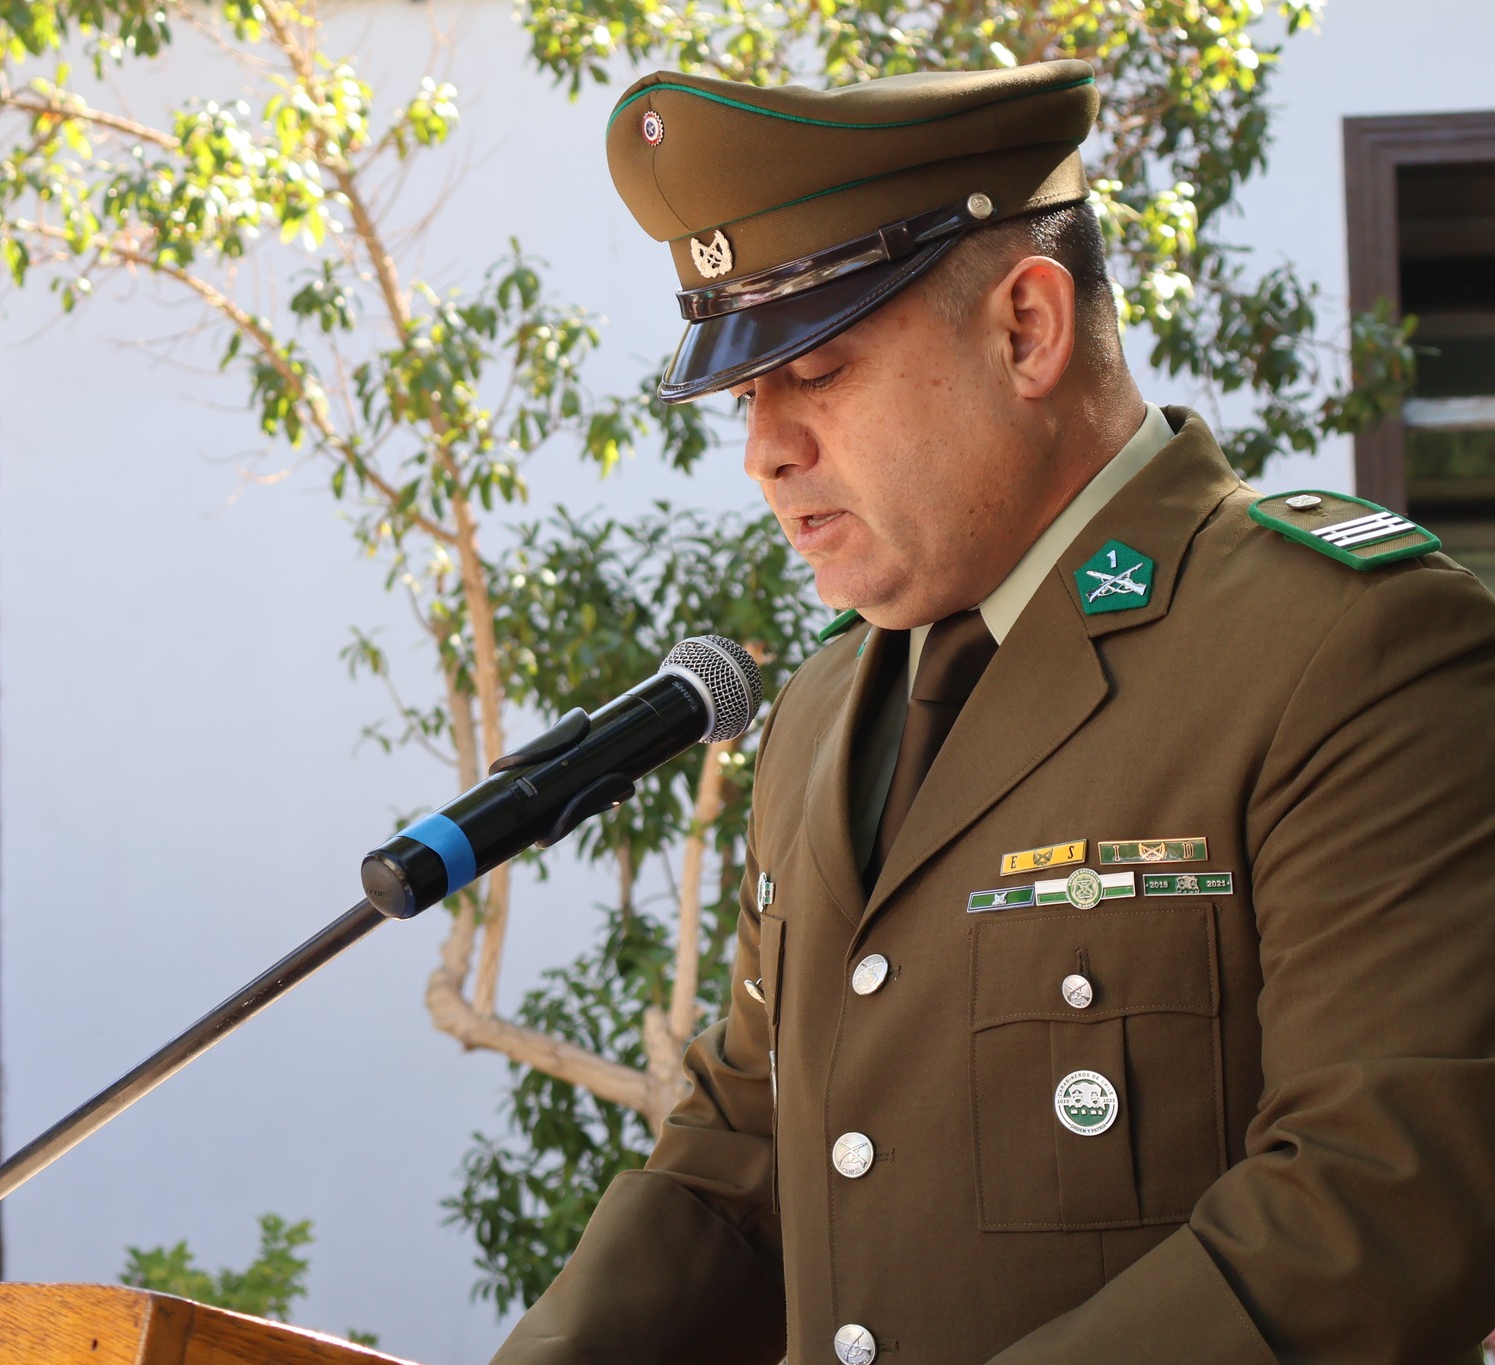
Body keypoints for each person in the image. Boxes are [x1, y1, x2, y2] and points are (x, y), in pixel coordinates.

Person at [490, 58, 1495, 1365]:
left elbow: (1383, 1205)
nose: (764, 448)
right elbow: (742, 1164)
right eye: (747, 393)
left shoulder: (1344, 647)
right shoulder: (817, 713)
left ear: (1027, 327)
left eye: (822, 368)